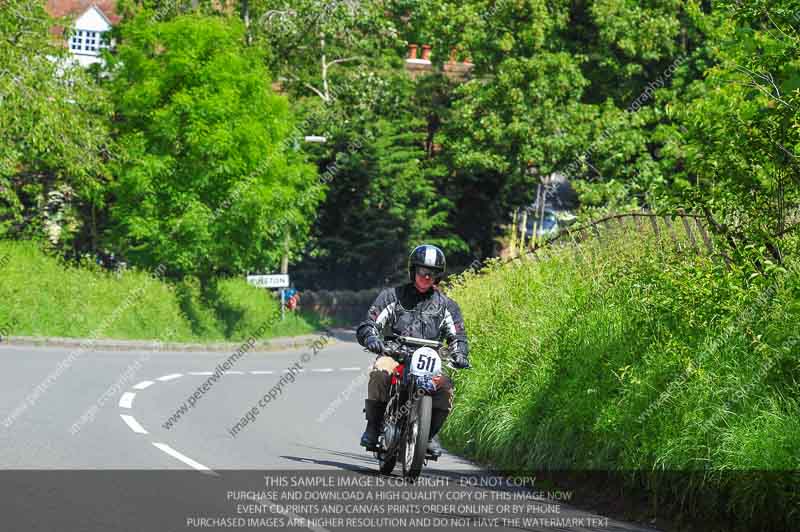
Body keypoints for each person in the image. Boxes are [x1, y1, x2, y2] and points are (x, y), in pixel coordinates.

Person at [356, 244, 471, 457]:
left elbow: (458, 336)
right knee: (380, 372)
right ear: (413, 271)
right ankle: (373, 427)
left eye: (432, 273)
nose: (427, 277)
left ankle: (428, 435)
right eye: (423, 272)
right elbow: (369, 323)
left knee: (445, 388)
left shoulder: (448, 306)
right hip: (395, 354)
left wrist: (460, 353)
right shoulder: (392, 296)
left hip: (429, 361)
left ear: (438, 276)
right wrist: (371, 337)